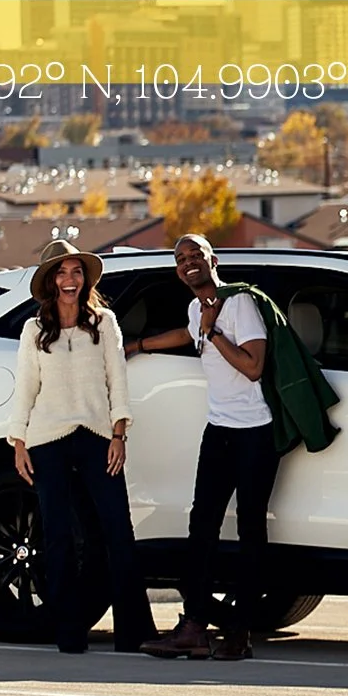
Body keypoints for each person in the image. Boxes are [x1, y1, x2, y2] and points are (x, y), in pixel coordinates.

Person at [5, 239, 156, 654]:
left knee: (117, 531)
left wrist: (119, 433)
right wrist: (18, 440)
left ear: (84, 279)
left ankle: (134, 633)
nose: (69, 279)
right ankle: (68, 633)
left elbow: (117, 380)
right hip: (46, 441)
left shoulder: (104, 323)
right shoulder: (34, 330)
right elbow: (26, 389)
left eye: (75, 272)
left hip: (96, 436)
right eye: (61, 272)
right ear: (51, 282)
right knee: (57, 536)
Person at [135, 235, 276, 662]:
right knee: (201, 529)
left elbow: (253, 367)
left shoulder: (238, 305)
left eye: (196, 254)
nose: (189, 263)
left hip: (255, 432)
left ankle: (240, 631)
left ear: (213, 259)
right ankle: (194, 625)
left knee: (251, 530)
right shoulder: (198, 308)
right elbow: (187, 333)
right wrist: (138, 346)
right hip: (219, 432)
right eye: (180, 259)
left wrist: (213, 331)